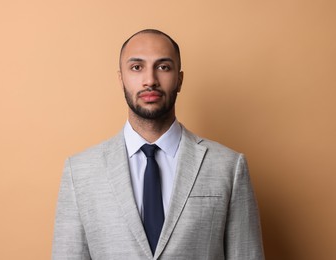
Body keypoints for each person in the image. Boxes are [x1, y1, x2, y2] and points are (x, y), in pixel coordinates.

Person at [52, 29, 264, 260]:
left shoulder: (228, 166)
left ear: (180, 79)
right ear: (121, 78)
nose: (150, 80)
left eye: (163, 67)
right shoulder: (80, 171)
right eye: (136, 67)